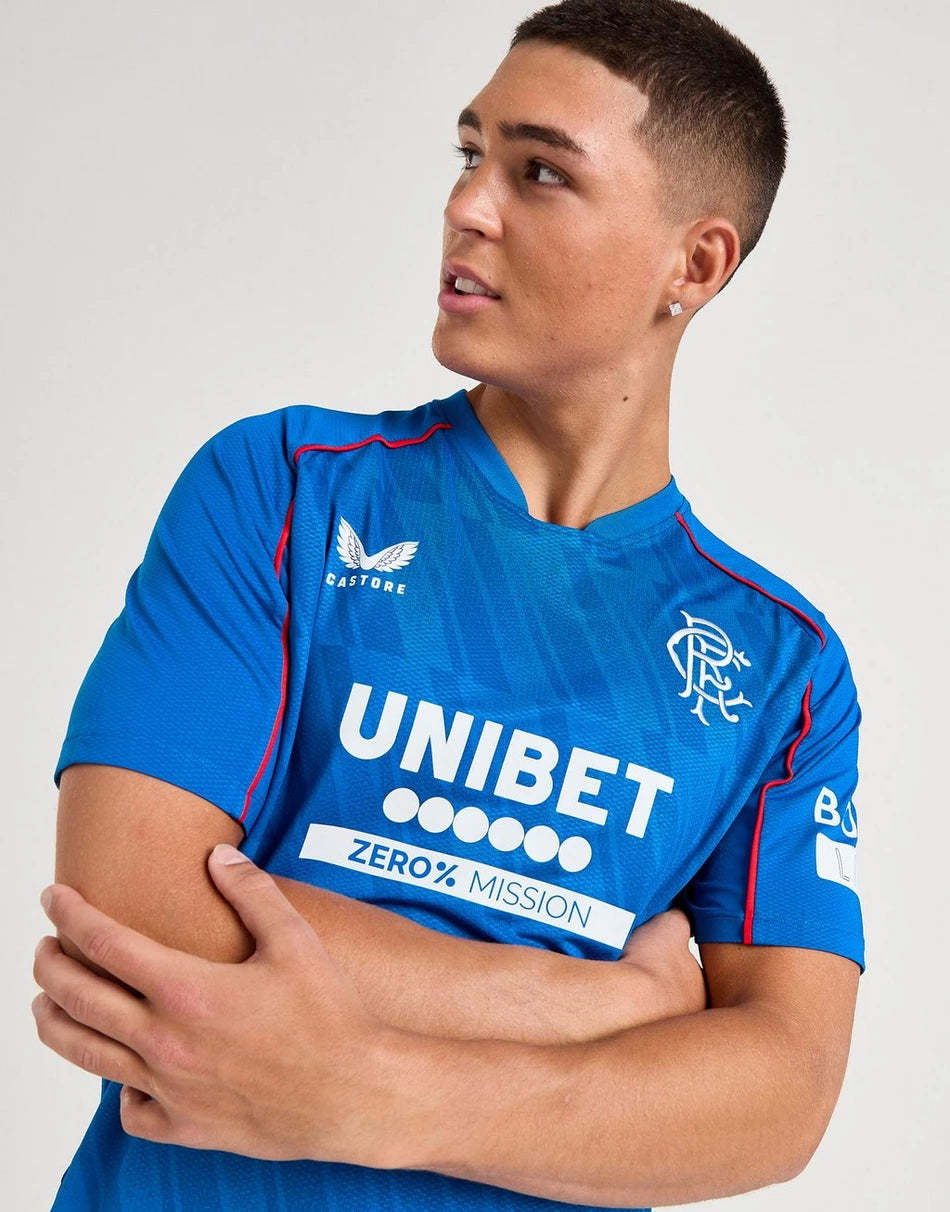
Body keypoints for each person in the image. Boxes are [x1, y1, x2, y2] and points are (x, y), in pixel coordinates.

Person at [32, 1, 865, 1209]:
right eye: (469, 153)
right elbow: (131, 905)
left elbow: (779, 1092)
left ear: (692, 265)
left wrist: (373, 1097)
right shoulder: (284, 488)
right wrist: (597, 1004)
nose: (468, 205)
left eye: (540, 172)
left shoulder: (777, 664)